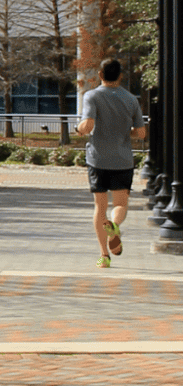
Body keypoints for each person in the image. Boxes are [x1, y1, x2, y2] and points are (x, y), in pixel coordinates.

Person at [76, 58, 146, 268]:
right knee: (121, 204)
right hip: (123, 159)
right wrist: (126, 132)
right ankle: (114, 225)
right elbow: (141, 133)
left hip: (97, 159)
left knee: (100, 206)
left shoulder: (92, 95)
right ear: (121, 76)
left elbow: (87, 126)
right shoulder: (131, 99)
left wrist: (78, 129)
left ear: (100, 75)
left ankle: (104, 256)